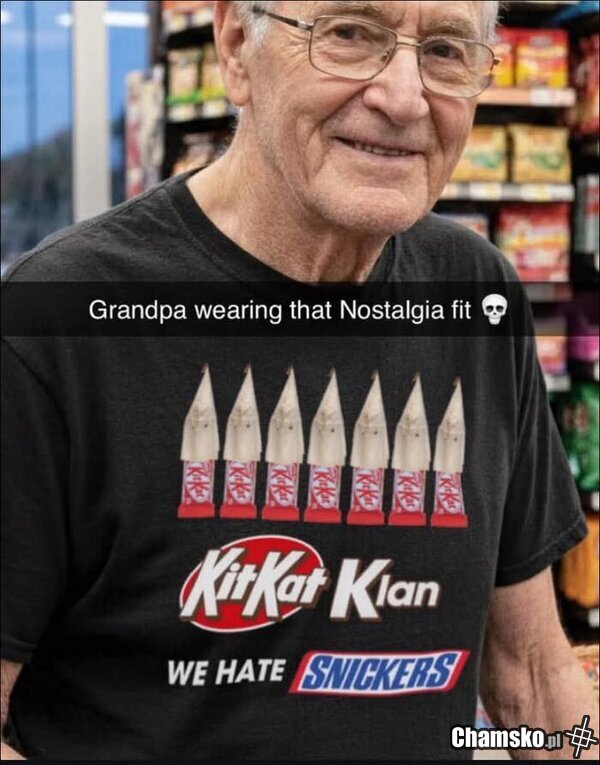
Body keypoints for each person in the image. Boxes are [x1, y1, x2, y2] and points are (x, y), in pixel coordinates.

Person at [1, 1, 598, 760]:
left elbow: (533, 676)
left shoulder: (476, 295)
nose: (404, 97)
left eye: (446, 50)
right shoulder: (57, 322)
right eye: (349, 34)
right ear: (235, 47)